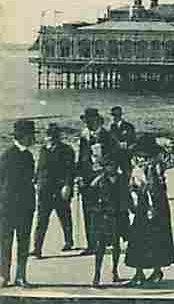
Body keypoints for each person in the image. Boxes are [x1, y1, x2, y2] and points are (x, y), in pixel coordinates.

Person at [125, 135, 174, 287]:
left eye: (143, 155)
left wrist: (151, 207)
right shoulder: (138, 167)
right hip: (143, 204)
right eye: (139, 155)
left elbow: (155, 189)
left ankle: (154, 270)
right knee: (139, 238)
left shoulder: (154, 167)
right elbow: (133, 185)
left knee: (153, 237)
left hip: (154, 205)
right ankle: (141, 272)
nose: (140, 157)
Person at [76, 107, 119, 256]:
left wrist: (103, 175)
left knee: (103, 213)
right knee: (88, 212)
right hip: (87, 181)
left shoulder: (107, 136)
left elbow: (114, 158)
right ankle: (91, 244)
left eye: (90, 121)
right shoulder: (84, 137)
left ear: (97, 120)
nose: (87, 124)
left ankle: (105, 241)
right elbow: (81, 159)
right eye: (85, 121)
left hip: (102, 181)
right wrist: (79, 177)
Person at [0, 119, 37, 288]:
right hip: (7, 208)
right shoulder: (7, 155)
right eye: (31, 135)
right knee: (5, 242)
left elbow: (29, 183)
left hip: (25, 208)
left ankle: (21, 276)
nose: (33, 139)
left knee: (23, 242)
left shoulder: (28, 156)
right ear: (22, 136)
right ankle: (3, 276)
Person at [31, 123, 75, 258]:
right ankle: (37, 248)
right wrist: (35, 179)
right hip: (44, 190)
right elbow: (40, 167)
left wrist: (67, 185)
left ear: (57, 137)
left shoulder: (67, 150)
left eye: (51, 135)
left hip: (60, 190)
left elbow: (70, 170)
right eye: (48, 135)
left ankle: (68, 241)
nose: (48, 138)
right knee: (41, 220)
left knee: (65, 217)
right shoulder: (43, 149)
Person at [88, 155, 128, 286]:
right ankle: (97, 274)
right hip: (104, 217)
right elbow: (91, 197)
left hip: (118, 216)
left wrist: (131, 208)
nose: (113, 168)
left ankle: (115, 272)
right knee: (100, 247)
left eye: (114, 165)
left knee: (116, 245)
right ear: (105, 167)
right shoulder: (99, 181)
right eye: (109, 165)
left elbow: (126, 196)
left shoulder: (122, 179)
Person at [108, 106, 136, 176]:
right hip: (115, 155)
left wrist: (126, 144)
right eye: (113, 115)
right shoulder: (112, 127)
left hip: (125, 155)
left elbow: (132, 139)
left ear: (120, 115)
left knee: (127, 173)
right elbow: (111, 140)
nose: (114, 118)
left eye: (116, 115)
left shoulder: (128, 126)